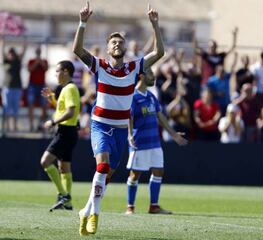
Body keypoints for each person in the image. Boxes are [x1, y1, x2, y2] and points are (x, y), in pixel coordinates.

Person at [73, 1, 164, 236]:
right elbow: (78, 51)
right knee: (101, 166)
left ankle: (85, 209)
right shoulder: (100, 66)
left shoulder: (134, 67)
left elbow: (160, 53)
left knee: (107, 174)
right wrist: (83, 23)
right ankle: (95, 215)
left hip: (121, 129)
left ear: (124, 48)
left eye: (120, 42)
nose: (117, 44)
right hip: (101, 126)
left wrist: (155, 25)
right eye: (113, 42)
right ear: (107, 48)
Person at [125, 68, 188, 215]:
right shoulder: (133, 97)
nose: (154, 77)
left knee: (159, 171)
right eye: (151, 74)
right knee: (135, 174)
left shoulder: (151, 96)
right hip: (140, 142)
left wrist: (173, 134)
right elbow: (129, 117)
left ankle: (154, 206)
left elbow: (161, 117)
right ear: (141, 76)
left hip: (155, 142)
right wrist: (129, 134)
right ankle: (130, 207)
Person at [40, 60, 80, 211]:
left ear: (65, 72)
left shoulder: (69, 88)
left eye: (57, 71)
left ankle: (63, 195)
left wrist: (53, 121)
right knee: (64, 168)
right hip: (69, 132)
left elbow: (70, 112)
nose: (55, 74)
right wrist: (51, 98)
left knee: (45, 162)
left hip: (65, 132)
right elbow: (62, 108)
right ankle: (67, 203)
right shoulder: (66, 88)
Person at [1, 37, 26, 133]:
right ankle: (7, 127)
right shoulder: (6, 61)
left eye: (12, 53)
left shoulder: (17, 61)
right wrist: (3, 41)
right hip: (7, 88)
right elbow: (2, 50)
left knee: (15, 108)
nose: (11, 55)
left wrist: (24, 41)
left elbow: (23, 52)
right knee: (7, 108)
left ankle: (14, 127)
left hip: (17, 88)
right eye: (9, 53)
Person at [27, 46, 48, 132]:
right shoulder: (31, 61)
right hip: (32, 85)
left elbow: (46, 68)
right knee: (31, 104)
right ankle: (31, 126)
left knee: (44, 105)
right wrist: (36, 62)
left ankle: (40, 125)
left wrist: (41, 62)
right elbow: (30, 69)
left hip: (42, 85)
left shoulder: (44, 61)